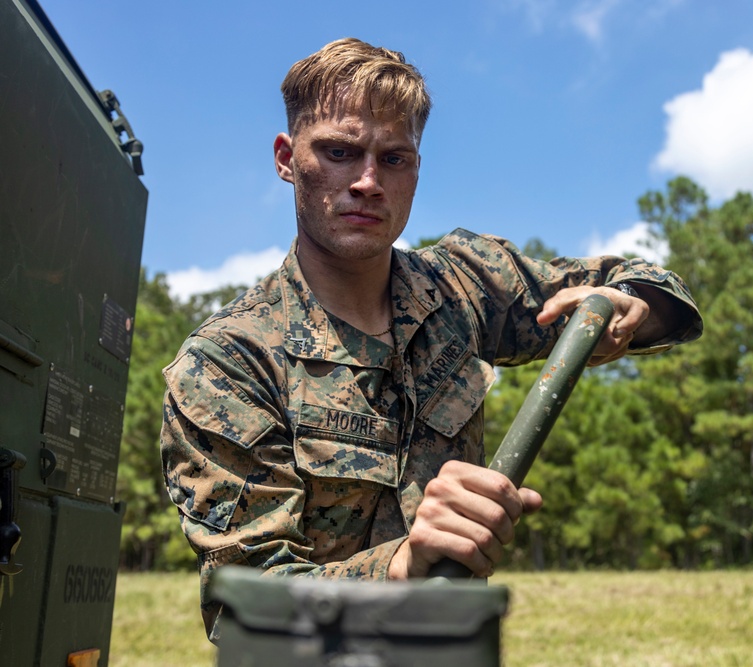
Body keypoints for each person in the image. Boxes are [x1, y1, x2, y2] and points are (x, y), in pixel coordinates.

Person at [160, 37, 702, 638]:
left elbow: (644, 286)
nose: (368, 181)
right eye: (340, 152)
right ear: (287, 159)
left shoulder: (464, 286)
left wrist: (627, 309)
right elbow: (249, 606)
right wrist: (403, 565)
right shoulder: (228, 364)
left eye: (395, 159)